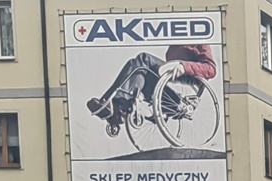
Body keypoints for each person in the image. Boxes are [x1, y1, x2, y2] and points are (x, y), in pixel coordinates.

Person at [86, 42, 218, 136]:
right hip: (168, 84)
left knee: (143, 59)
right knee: (137, 67)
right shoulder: (175, 44)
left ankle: (117, 104)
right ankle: (115, 107)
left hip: (185, 84)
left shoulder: (198, 40)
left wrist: (184, 66)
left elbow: (211, 69)